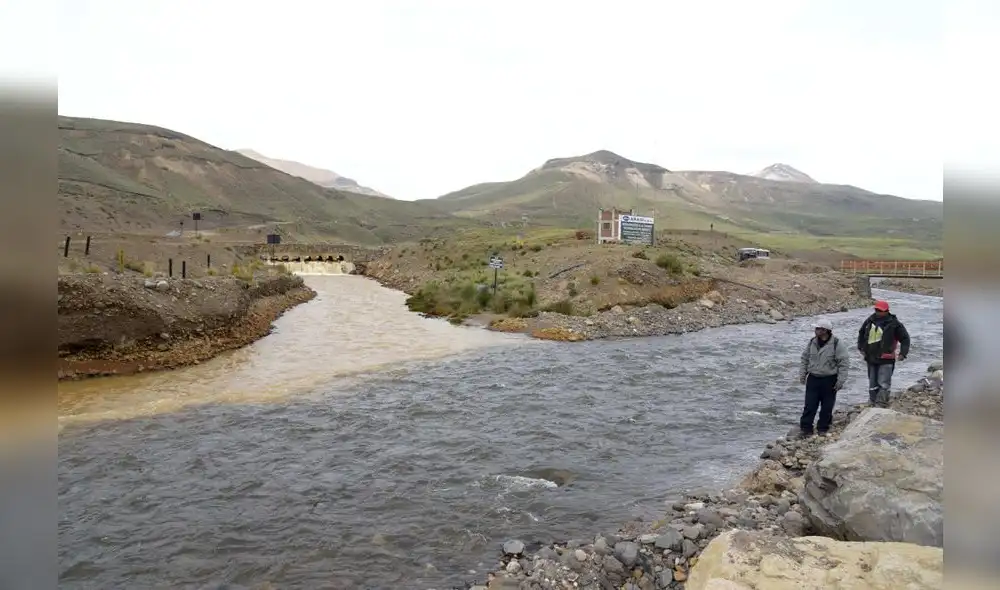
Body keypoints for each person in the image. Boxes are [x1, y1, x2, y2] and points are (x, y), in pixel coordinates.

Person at [798, 318, 849, 437]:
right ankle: (806, 428)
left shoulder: (837, 344)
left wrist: (840, 381)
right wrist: (802, 374)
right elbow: (804, 358)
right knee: (809, 405)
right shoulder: (812, 342)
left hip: (829, 379)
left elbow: (843, 363)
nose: (815, 330)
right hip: (813, 378)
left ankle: (823, 428)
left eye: (817, 328)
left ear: (825, 330)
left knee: (827, 406)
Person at [857, 300, 910, 408]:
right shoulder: (869, 321)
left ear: (887, 311)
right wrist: (861, 347)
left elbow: (905, 339)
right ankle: (872, 401)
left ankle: (881, 404)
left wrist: (903, 353)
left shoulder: (895, 324)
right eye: (876, 310)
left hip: (886, 358)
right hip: (871, 357)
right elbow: (861, 333)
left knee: (884, 383)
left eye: (880, 310)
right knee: (872, 383)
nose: (877, 312)